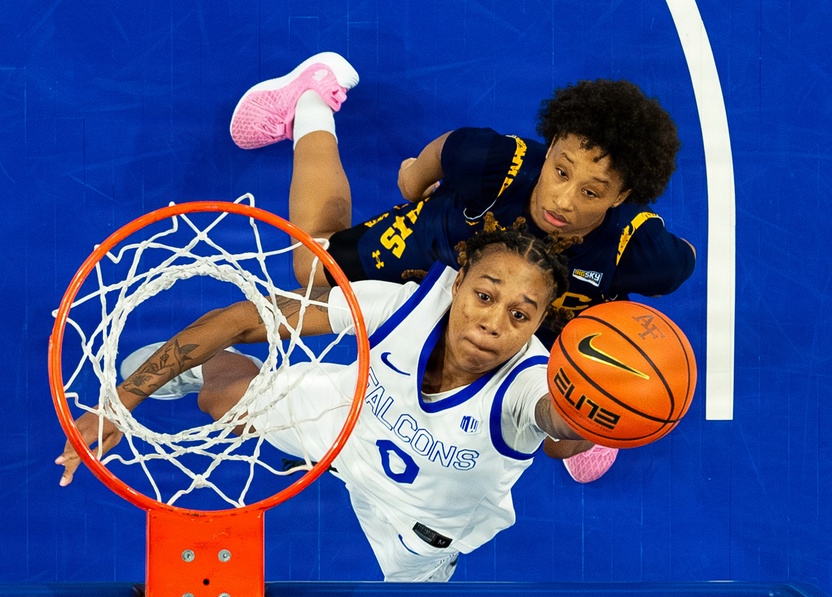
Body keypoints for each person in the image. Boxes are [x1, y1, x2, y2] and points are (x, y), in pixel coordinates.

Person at [227, 53, 697, 483]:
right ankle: (310, 100)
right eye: (561, 171)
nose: (562, 199)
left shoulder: (641, 249)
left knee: (558, 439)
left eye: (591, 192)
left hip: (544, 312)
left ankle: (595, 394)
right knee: (313, 269)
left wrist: (606, 367)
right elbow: (434, 159)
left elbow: (682, 262)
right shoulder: (493, 161)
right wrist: (413, 184)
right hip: (443, 250)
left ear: (621, 197)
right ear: (552, 145)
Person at [56, 226, 599, 582]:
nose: (493, 323)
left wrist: (598, 409)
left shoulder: (531, 381)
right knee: (222, 403)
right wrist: (119, 404)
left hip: (421, 524)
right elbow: (246, 319)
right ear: (457, 286)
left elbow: (557, 423)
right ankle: (210, 366)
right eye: (484, 295)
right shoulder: (398, 305)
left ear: (538, 324)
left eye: (520, 315)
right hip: (348, 421)